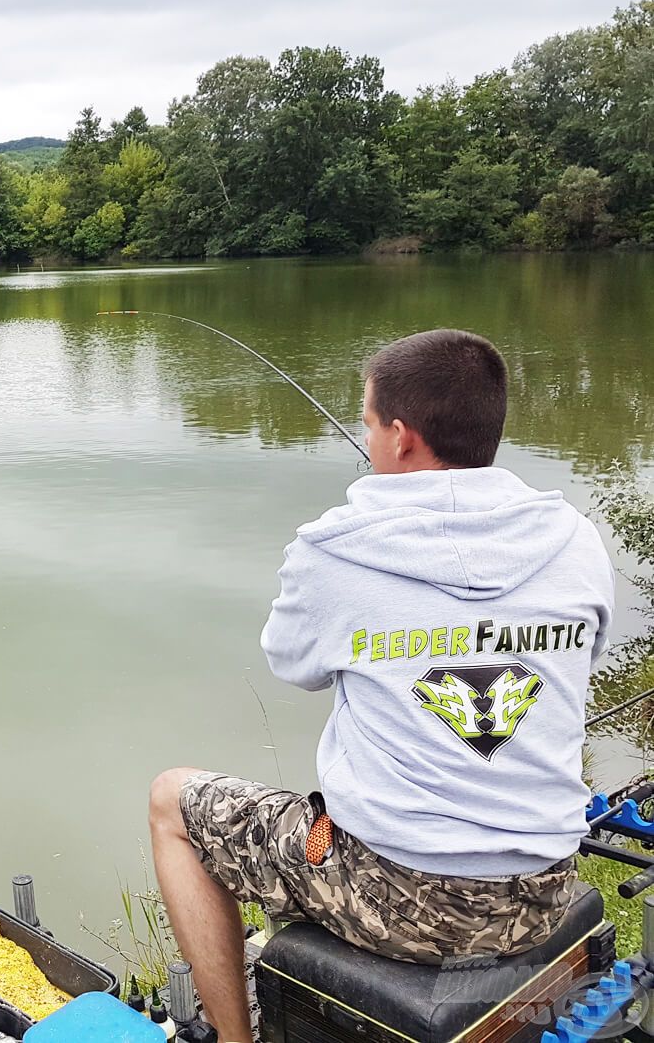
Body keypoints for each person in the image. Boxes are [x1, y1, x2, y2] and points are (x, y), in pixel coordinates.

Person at [147, 329, 616, 1043]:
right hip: (545, 887)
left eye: (367, 423)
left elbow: (292, 662)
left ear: (399, 436)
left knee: (170, 802)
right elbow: (583, 655)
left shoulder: (336, 548)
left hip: (400, 896)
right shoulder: (577, 539)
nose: (366, 438)